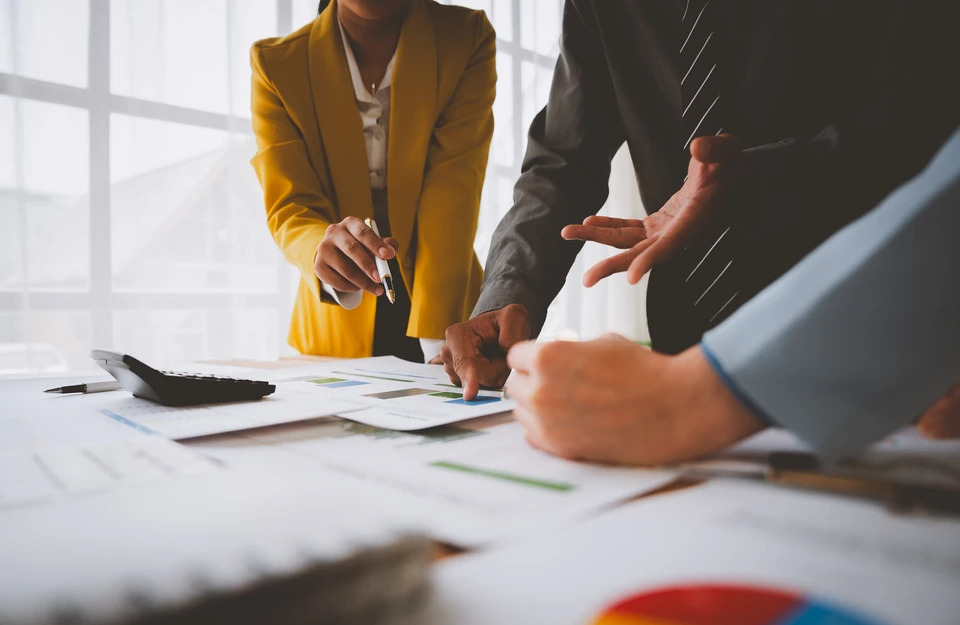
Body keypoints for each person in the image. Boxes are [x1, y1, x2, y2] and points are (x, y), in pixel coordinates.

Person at [441, 0, 958, 396]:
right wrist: (510, 294)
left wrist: (759, 178)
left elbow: (926, 118)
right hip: (686, 354)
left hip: (874, 332)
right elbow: (562, 159)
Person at [505, 130, 960, 465]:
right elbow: (561, 156)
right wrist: (508, 293)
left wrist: (688, 398)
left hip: (912, 353)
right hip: (680, 332)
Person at [251, 0, 495, 362]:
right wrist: (323, 247)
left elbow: (454, 189)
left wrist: (437, 335)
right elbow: (290, 205)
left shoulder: (464, 36)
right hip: (334, 319)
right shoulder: (276, 63)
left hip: (446, 304)